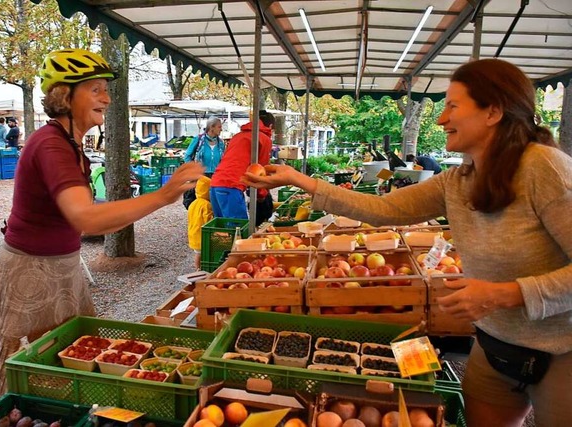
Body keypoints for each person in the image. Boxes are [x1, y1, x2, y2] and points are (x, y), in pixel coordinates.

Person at [243, 59, 572, 427]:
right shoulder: (459, 180)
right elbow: (384, 209)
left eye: (452, 105)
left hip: (561, 352)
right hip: (493, 346)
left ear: (493, 111)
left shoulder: (546, 169)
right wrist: (300, 181)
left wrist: (505, 294)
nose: (441, 119)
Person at [0, 48, 204, 402]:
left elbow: (86, 213)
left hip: (59, 267)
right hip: (34, 272)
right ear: (65, 94)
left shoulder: (69, 143)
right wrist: (162, 195)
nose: (107, 98)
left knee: (67, 366)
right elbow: (85, 217)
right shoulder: (51, 144)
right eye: (95, 89)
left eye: (105, 89)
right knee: (36, 379)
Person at [210, 110, 274, 219]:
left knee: (221, 231)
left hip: (215, 184)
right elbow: (260, 173)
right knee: (238, 230)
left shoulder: (238, 136)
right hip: (231, 186)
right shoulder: (263, 139)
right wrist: (262, 195)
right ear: (271, 126)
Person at [182, 116, 226, 209]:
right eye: (219, 127)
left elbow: (224, 160)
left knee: (214, 202)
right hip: (201, 176)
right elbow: (187, 156)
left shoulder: (221, 143)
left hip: (215, 176)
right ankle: (199, 219)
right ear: (211, 127)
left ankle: (210, 219)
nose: (221, 129)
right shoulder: (199, 140)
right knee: (200, 201)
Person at [187, 176, 213, 270]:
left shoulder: (193, 203)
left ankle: (197, 268)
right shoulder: (206, 205)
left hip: (193, 234)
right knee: (203, 254)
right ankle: (200, 269)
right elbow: (208, 221)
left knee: (197, 253)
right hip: (202, 236)